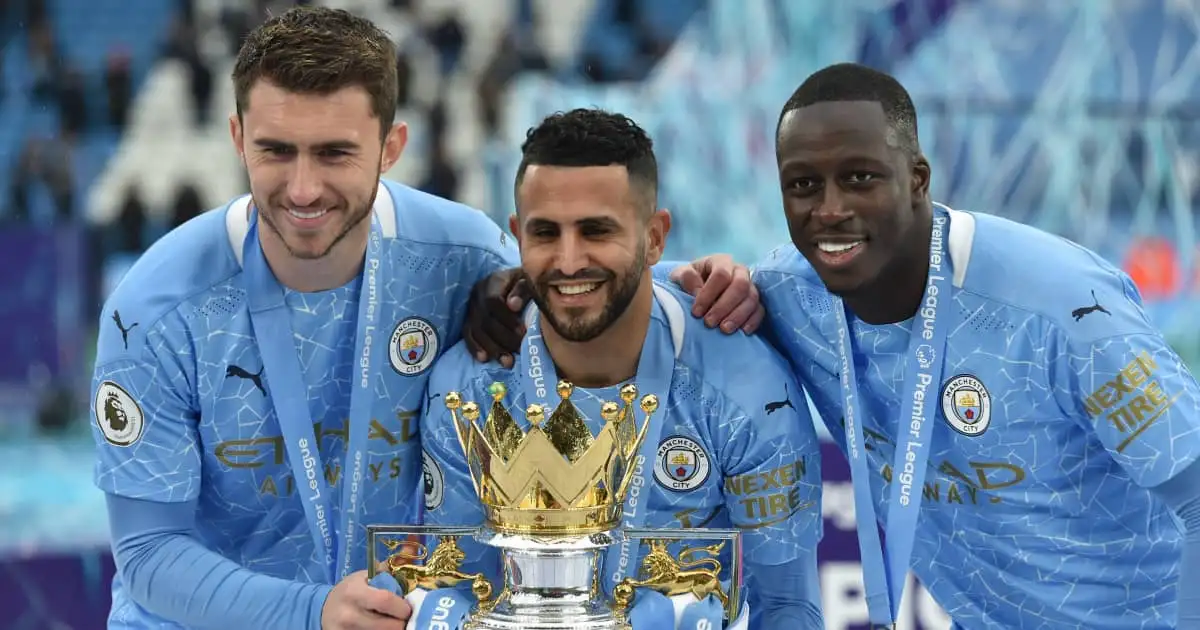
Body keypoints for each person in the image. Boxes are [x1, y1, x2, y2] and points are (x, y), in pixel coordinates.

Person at [465, 63, 1200, 629]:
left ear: (917, 180)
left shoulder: (1063, 307)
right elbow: (609, 279)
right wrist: (501, 287)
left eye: (859, 178)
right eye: (803, 184)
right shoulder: (789, 295)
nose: (830, 209)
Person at [89, 8, 518, 630]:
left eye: (335, 153)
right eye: (276, 151)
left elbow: (587, 290)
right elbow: (148, 554)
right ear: (238, 139)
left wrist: (694, 289)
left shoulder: (463, 260)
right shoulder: (154, 311)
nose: (303, 188)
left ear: (391, 147)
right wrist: (312, 611)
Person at [423, 109, 825, 629]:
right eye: (546, 233)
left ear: (655, 237)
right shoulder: (468, 390)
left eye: (596, 231)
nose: (569, 261)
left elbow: (788, 608)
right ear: (518, 236)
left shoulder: (747, 387)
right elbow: (460, 590)